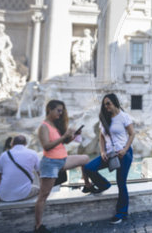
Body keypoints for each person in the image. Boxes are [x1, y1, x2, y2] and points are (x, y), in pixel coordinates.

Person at [34, 100, 89, 233]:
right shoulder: (44, 126)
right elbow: (46, 146)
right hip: (51, 163)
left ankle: (87, 185)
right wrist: (64, 136)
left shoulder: (54, 125)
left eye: (62, 111)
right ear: (50, 110)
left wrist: (72, 137)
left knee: (85, 159)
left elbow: (61, 143)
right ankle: (38, 226)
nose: (61, 113)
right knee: (43, 195)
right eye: (58, 110)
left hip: (62, 160)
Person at [83, 93, 135, 225]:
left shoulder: (124, 117)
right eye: (104, 104)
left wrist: (125, 149)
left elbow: (132, 133)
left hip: (124, 154)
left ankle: (122, 213)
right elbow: (101, 136)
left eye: (108, 103)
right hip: (109, 154)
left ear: (115, 103)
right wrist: (102, 151)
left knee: (121, 183)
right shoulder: (104, 118)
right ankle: (104, 184)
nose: (106, 106)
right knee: (89, 167)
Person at [0, 135, 40, 202]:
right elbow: (40, 173)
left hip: (3, 196)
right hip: (24, 194)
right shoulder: (33, 153)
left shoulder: (3, 155)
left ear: (12, 144)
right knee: (38, 189)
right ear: (25, 144)